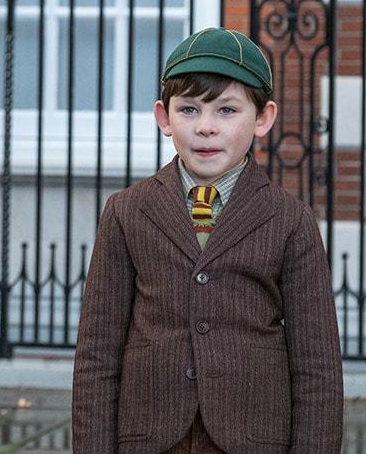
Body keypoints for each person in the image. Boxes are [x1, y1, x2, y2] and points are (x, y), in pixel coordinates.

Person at [72, 27, 343, 452]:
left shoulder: (291, 219)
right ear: (164, 117)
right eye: (190, 109)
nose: (206, 128)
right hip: (151, 439)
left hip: (254, 440)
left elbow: (318, 369)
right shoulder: (127, 211)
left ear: (263, 118)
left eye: (227, 110)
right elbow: (96, 357)